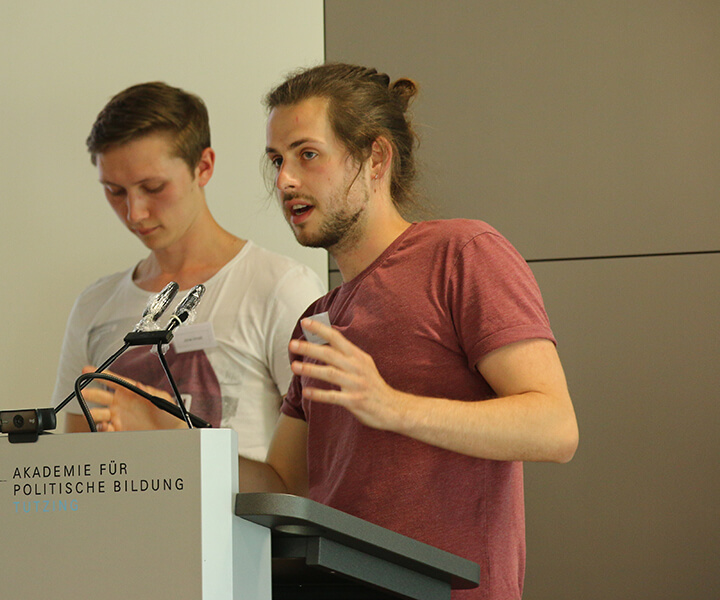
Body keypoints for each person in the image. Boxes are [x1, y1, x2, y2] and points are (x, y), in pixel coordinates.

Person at [239, 63, 580, 600]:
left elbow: (555, 427)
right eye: (277, 160)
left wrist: (392, 406)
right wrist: (182, 449)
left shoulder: (462, 253)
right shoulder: (316, 319)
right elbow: (284, 486)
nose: (284, 180)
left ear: (375, 158)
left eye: (307, 154)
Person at [52, 81, 325, 461]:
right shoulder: (95, 305)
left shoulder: (281, 289)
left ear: (204, 166)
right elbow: (74, 468)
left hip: (241, 521)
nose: (135, 212)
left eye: (153, 187)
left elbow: (314, 474)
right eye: (115, 191)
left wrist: (172, 436)